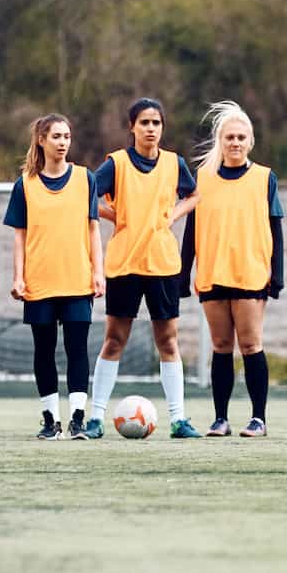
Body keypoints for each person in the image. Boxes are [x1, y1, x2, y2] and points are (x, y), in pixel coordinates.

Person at [89, 98, 201, 439]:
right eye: (145, 123)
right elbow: (86, 194)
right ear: (132, 128)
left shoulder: (174, 163)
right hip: (124, 262)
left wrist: (174, 214)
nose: (151, 129)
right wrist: (114, 215)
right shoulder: (117, 163)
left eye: (156, 123)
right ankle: (95, 418)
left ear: (162, 128)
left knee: (168, 340)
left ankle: (179, 420)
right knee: (114, 340)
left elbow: (194, 195)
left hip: (163, 264)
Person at [178, 101, 284, 437]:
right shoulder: (203, 180)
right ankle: (220, 418)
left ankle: (258, 419)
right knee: (221, 345)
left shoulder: (264, 178)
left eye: (241, 137)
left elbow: (276, 229)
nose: (235, 142)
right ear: (219, 141)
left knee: (251, 345)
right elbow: (192, 229)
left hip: (250, 274)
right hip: (212, 273)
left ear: (250, 141)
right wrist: (183, 273)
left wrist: (276, 274)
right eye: (229, 137)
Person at [3, 114, 106, 440]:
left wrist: (98, 272)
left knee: (78, 349)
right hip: (40, 282)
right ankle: (51, 421)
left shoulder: (85, 178)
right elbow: (20, 236)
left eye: (67, 136)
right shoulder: (25, 185)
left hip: (77, 279)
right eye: (56, 136)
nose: (63, 142)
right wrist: (18, 277)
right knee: (43, 351)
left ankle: (77, 420)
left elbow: (93, 229)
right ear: (41, 141)